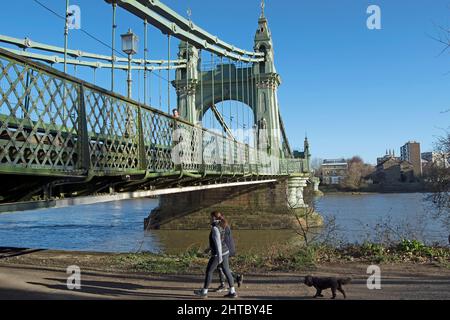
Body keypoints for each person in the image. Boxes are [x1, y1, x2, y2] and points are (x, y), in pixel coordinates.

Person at [194, 211, 237, 298]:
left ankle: (204, 292)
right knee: (226, 271)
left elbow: (218, 243)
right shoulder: (221, 225)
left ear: (214, 218)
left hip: (218, 254)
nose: (209, 219)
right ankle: (232, 292)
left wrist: (219, 256)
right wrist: (209, 249)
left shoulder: (215, 228)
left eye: (210, 217)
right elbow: (219, 241)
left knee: (209, 271)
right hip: (225, 251)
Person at [213, 223, 244, 292]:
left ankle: (223, 285)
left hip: (225, 250)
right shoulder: (224, 225)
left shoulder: (220, 227)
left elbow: (220, 240)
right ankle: (236, 277)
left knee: (221, 267)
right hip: (228, 249)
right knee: (223, 267)